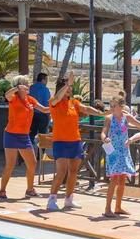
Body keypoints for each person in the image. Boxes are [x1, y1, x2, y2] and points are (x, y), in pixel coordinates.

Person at [46, 75, 108, 211]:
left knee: (73, 171)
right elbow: (57, 98)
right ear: (61, 88)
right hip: (60, 141)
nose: (69, 91)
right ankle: (52, 199)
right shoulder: (53, 101)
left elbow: (86, 109)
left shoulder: (73, 102)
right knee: (61, 172)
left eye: (70, 89)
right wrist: (67, 85)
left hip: (75, 141)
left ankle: (69, 199)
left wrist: (101, 113)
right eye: (67, 89)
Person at [0, 76, 50, 200]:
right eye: (26, 84)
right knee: (10, 165)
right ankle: (2, 190)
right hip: (11, 135)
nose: (29, 85)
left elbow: (44, 109)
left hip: (24, 136)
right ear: (20, 86)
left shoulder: (30, 99)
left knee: (32, 163)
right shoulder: (14, 98)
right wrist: (16, 88)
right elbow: (7, 95)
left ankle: (30, 189)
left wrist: (56, 106)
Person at [101, 97, 140, 217]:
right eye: (112, 105)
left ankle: (118, 207)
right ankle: (107, 208)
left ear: (120, 106)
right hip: (113, 152)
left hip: (124, 152)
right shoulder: (109, 118)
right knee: (114, 179)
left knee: (122, 180)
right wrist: (104, 138)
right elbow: (103, 132)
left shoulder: (127, 117)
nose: (112, 108)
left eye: (114, 105)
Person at [28, 72, 51, 147]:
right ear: (43, 80)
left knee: (31, 134)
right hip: (42, 114)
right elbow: (47, 103)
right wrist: (48, 115)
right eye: (46, 80)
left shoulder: (30, 88)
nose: (47, 82)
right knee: (43, 135)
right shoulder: (45, 89)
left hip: (32, 114)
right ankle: (41, 155)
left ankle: (28, 151)